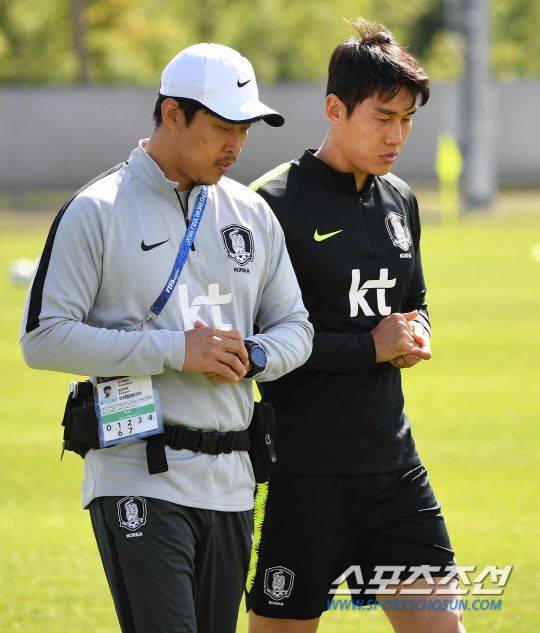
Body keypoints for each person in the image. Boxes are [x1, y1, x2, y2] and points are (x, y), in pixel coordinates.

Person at [20, 43, 313, 633]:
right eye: (223, 127)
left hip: (232, 482)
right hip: (136, 472)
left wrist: (254, 354)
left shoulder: (252, 213)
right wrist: (176, 350)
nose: (237, 145)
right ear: (172, 113)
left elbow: (297, 328)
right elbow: (43, 338)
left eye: (245, 129)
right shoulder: (96, 209)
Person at [246, 19, 465, 633]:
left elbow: (414, 299)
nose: (397, 135)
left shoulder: (401, 200)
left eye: (408, 120)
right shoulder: (270, 204)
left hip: (395, 467)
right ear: (335, 109)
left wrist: (416, 331)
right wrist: (369, 347)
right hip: (305, 473)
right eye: (383, 117)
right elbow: (258, 345)